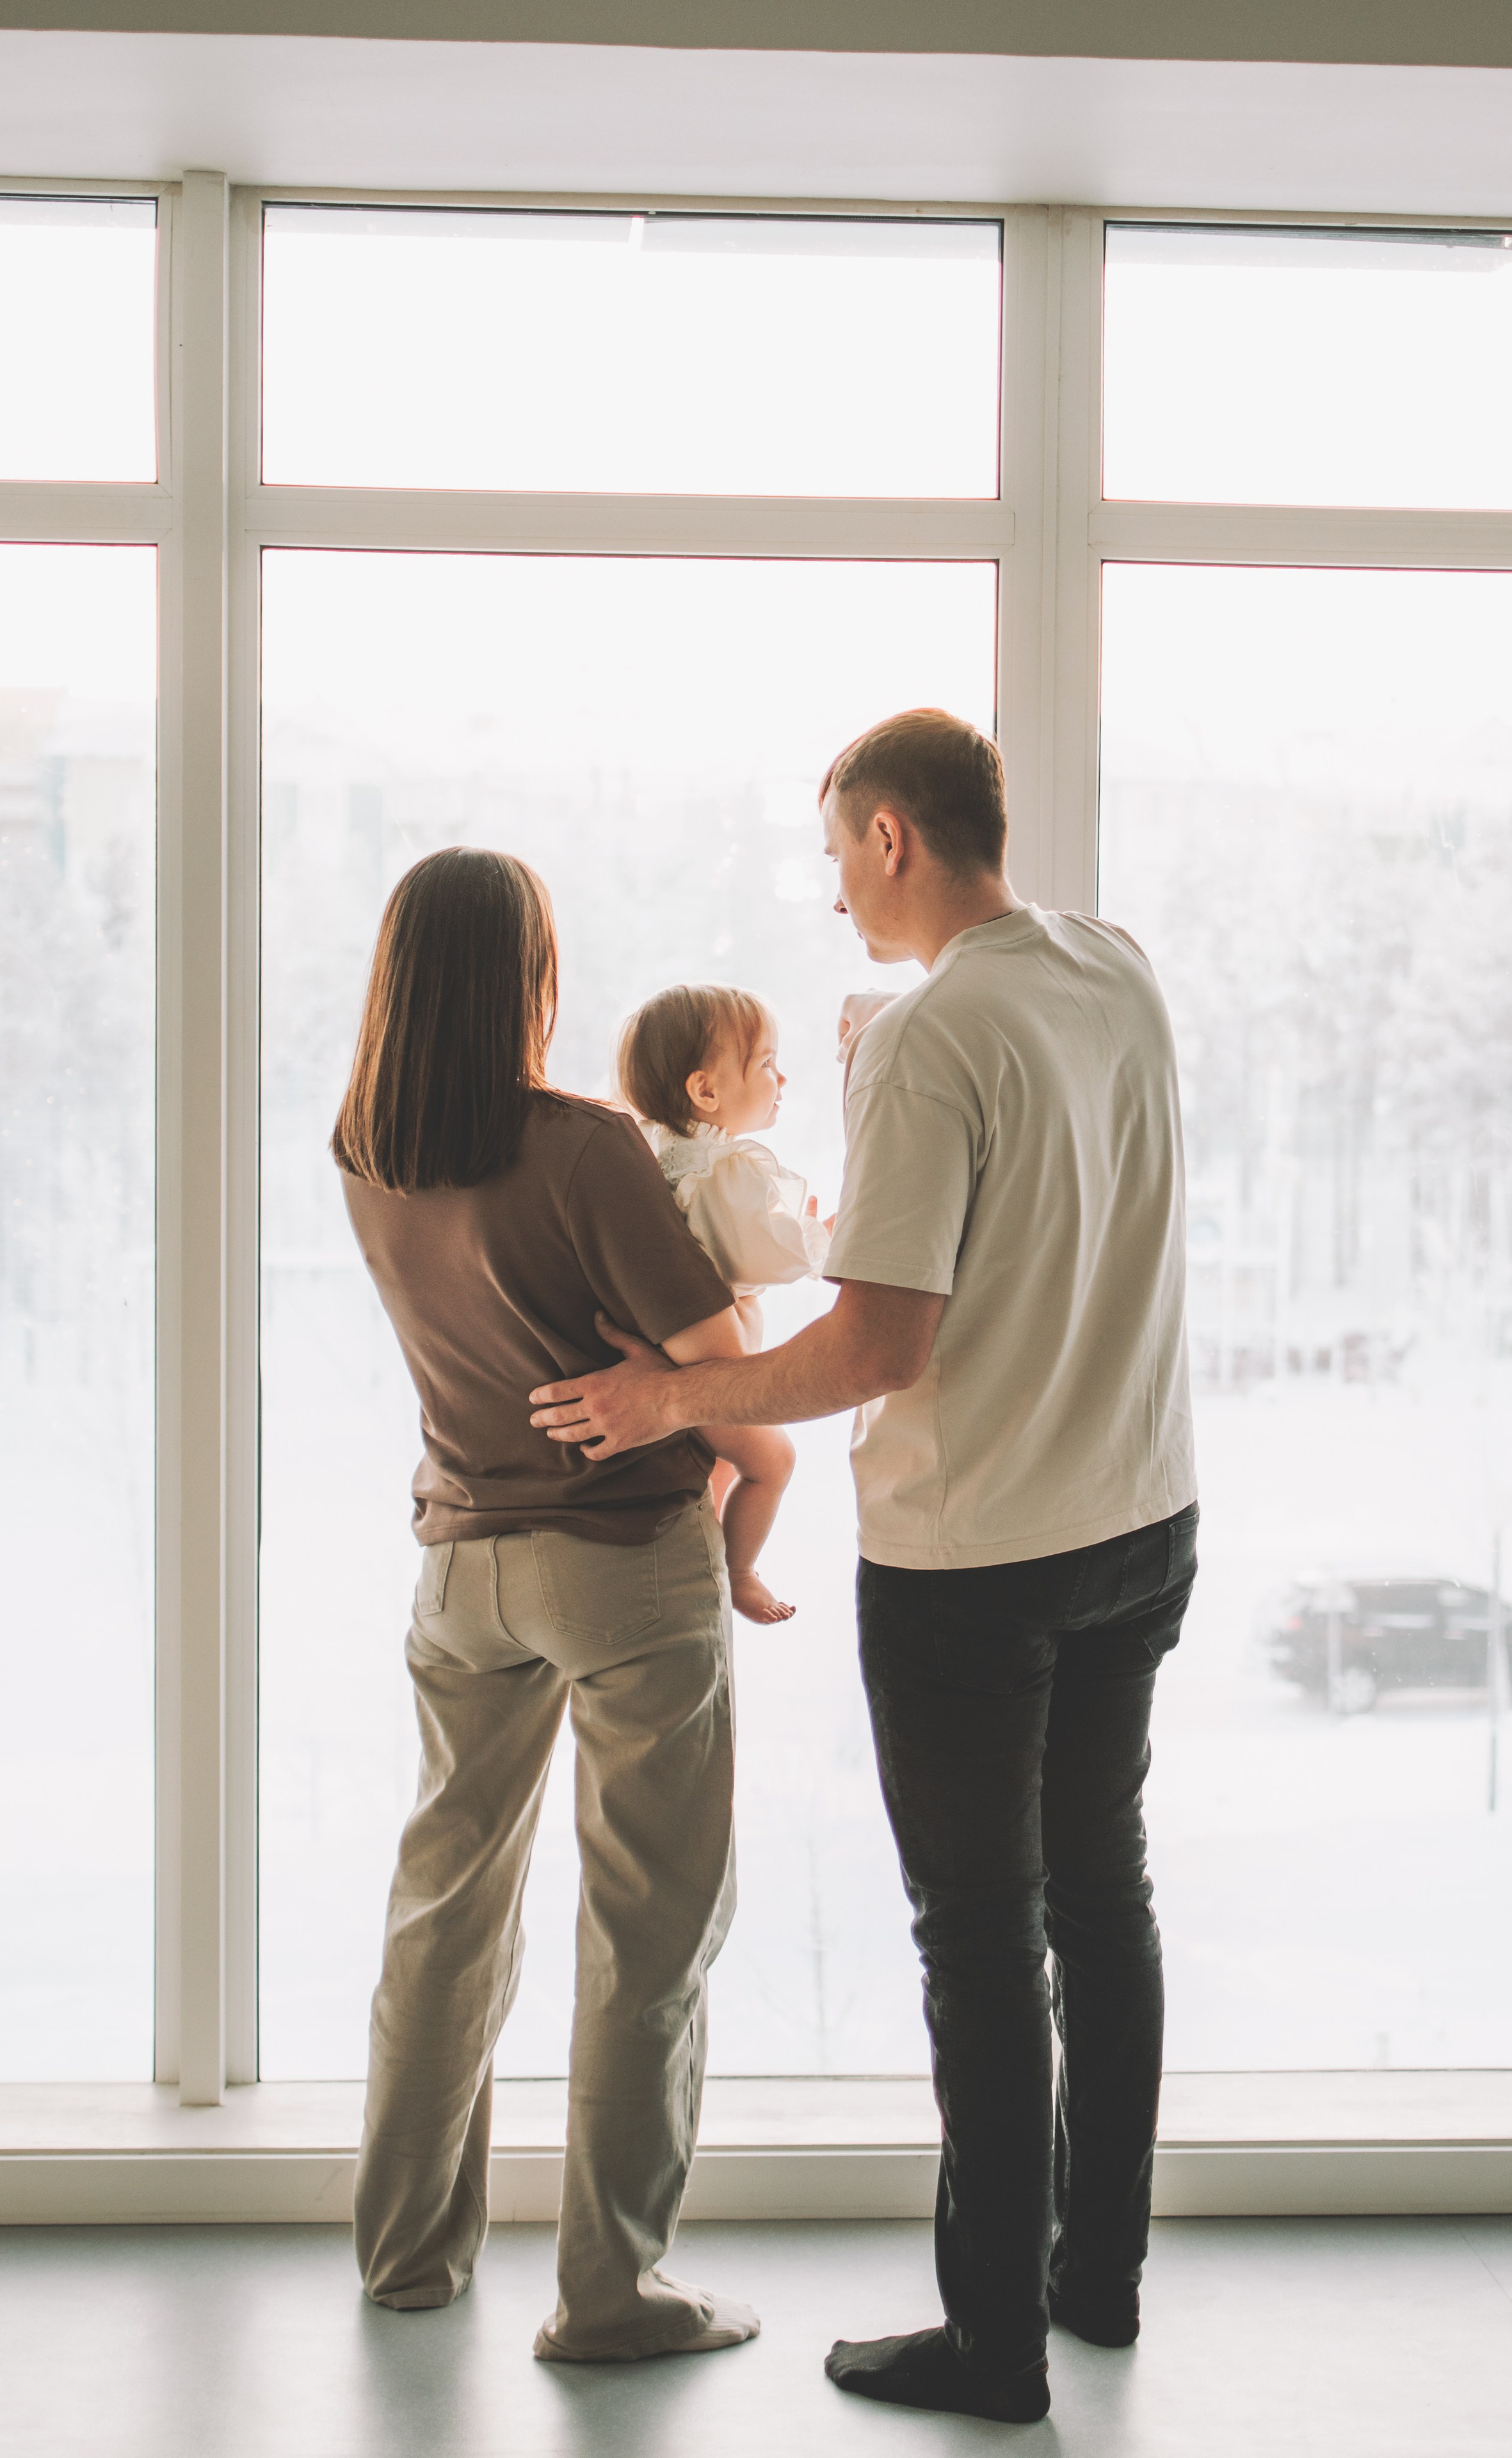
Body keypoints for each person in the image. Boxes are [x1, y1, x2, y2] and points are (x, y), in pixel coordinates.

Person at [528, 709, 1197, 2426]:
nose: (833, 892)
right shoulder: (1108, 968)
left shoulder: (921, 1041)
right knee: (1101, 1896)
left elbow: (875, 1346)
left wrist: (669, 1391)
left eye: (838, 853)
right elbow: (1035, 1174)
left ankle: (992, 2351)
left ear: (894, 838)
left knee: (980, 1937)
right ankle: (1094, 2276)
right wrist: (885, 1067)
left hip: (979, 1558)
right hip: (1141, 1515)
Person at [334, 845, 760, 2363]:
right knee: (645, 1928)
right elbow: (712, 1358)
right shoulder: (585, 1147)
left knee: (445, 1912)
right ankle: (611, 2295)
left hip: (459, 1565)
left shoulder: (362, 1145)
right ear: (532, 973)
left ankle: (405, 2251)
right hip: (622, 1564)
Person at [616, 981, 830, 1625]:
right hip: (703, 1369)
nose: (781, 1076)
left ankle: (711, 1555)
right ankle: (739, 1571)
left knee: (712, 1468)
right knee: (772, 1458)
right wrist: (822, 1235)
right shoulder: (718, 1169)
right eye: (765, 1063)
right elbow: (764, 1254)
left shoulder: (647, 1153)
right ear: (705, 1091)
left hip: (667, 1355)